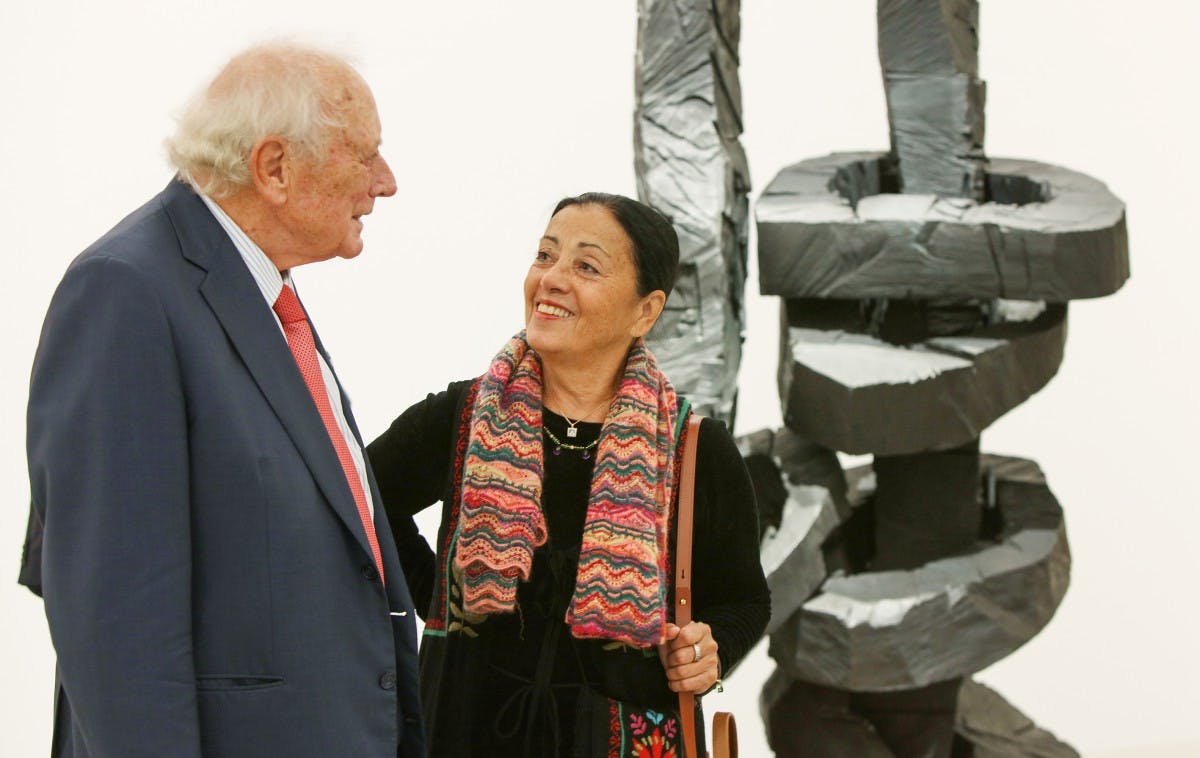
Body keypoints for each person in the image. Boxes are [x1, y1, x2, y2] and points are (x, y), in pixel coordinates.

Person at [23, 43, 427, 757]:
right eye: (364, 155)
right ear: (274, 168)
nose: (385, 182)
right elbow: (113, 626)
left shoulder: (257, 288)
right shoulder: (126, 292)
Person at [367, 192, 770, 756]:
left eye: (585, 266)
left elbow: (745, 601)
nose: (551, 279)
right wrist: (440, 592)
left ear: (645, 311)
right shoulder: (463, 417)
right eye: (545, 256)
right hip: (465, 731)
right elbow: (363, 502)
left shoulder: (693, 449)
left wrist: (711, 649)